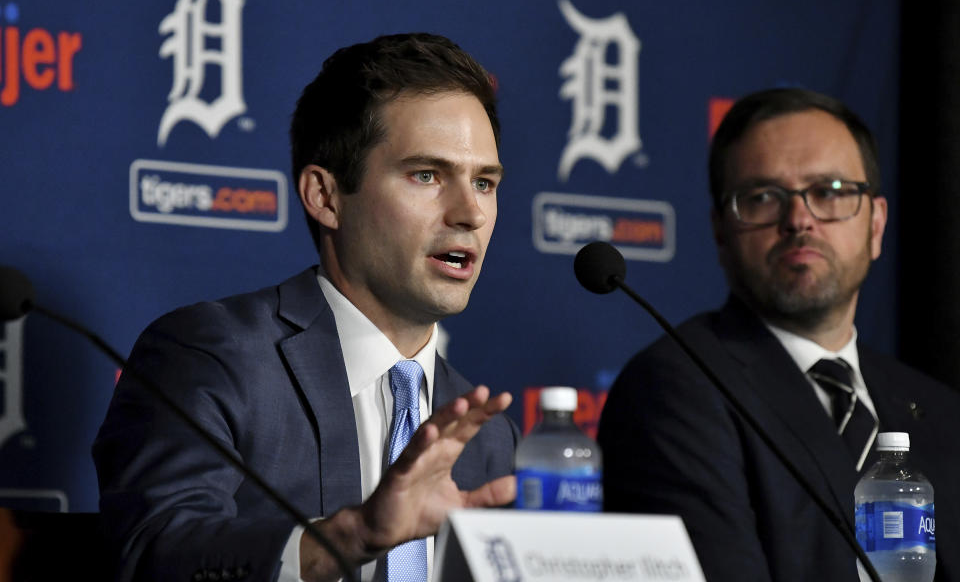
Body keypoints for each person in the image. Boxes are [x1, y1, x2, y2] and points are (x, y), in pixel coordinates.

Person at [93, 33, 519, 582]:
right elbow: (151, 555)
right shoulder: (214, 359)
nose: (470, 213)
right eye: (427, 175)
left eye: (484, 182)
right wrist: (351, 537)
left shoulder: (486, 434)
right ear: (326, 196)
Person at [598, 88, 960, 582]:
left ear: (876, 226)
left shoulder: (938, 408)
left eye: (830, 191)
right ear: (721, 233)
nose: (799, 220)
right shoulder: (675, 390)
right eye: (764, 197)